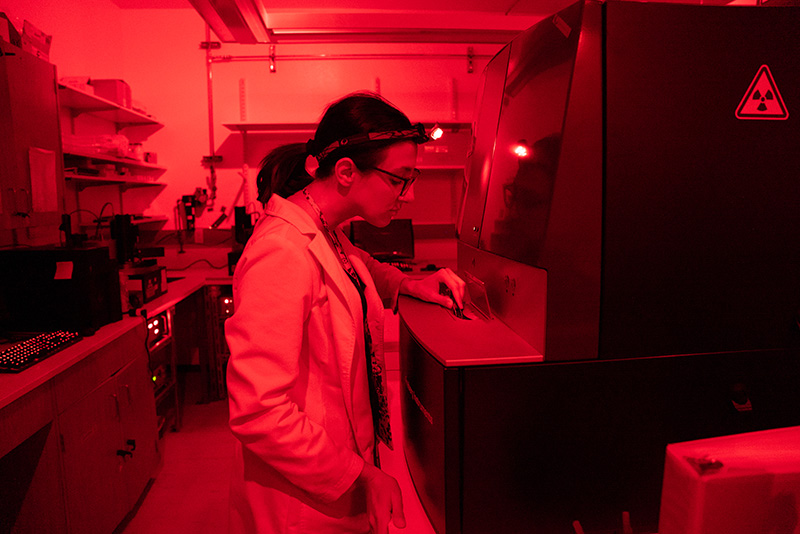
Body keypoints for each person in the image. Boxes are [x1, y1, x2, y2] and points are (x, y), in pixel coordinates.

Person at [225, 91, 466, 534]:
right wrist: (361, 475)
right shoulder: (281, 252)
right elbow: (257, 411)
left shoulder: (325, 230)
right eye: (400, 180)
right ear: (346, 172)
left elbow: (358, 267)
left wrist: (409, 284)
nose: (409, 196)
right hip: (301, 501)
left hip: (339, 472)